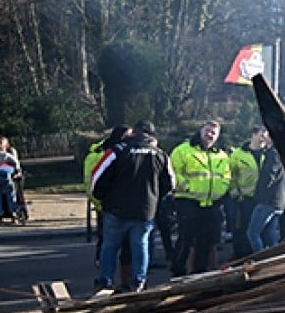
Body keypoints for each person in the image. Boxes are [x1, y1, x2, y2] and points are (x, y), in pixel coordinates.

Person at [90, 120, 174, 292]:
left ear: (134, 132)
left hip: (117, 209)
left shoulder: (118, 150)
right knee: (141, 245)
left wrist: (102, 197)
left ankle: (105, 281)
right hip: (145, 209)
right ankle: (138, 282)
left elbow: (97, 177)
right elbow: (170, 183)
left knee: (110, 246)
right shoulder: (160, 154)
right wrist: (154, 198)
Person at [169, 120, 231, 276]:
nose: (209, 135)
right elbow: (174, 172)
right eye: (207, 131)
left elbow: (226, 176)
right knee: (186, 238)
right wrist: (188, 187)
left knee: (206, 239)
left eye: (213, 133)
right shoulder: (183, 150)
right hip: (188, 200)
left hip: (211, 202)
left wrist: (220, 191)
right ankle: (178, 270)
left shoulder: (221, 155)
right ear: (200, 130)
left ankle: (200, 271)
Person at [85, 125, 134, 272]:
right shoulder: (100, 155)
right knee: (107, 239)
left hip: (121, 202)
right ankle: (103, 266)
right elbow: (91, 182)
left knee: (122, 241)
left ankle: (119, 269)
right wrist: (99, 202)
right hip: (106, 203)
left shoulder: (123, 152)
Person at [228, 127, 269, 259]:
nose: (264, 138)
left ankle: (255, 255)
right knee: (242, 228)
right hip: (244, 198)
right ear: (253, 135)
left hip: (262, 199)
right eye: (262, 134)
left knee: (259, 230)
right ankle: (240, 255)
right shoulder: (238, 154)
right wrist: (236, 194)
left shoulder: (268, 153)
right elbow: (231, 176)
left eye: (266, 135)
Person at [246, 137, 285, 254]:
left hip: (268, 201)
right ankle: (275, 259)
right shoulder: (280, 153)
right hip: (279, 202)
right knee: (270, 235)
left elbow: (269, 176)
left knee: (253, 233)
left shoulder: (273, 154)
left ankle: (261, 258)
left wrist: (258, 193)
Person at [0, 137, 21, 222]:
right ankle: (13, 213)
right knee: (11, 196)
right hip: (6, 177)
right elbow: (16, 163)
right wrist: (17, 172)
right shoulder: (6, 155)